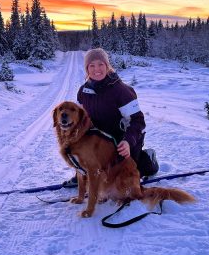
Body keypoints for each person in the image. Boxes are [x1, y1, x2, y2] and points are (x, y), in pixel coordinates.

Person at [63, 48, 159, 187]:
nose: (97, 69)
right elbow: (80, 119)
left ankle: (149, 160)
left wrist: (128, 142)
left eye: (101, 64)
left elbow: (138, 121)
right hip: (100, 139)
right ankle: (83, 174)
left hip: (124, 139)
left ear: (107, 66)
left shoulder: (121, 91)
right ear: (87, 69)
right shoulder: (83, 92)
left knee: (123, 177)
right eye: (92, 65)